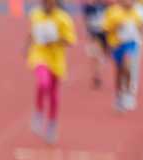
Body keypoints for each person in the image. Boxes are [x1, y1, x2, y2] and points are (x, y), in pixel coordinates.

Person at [25, 0, 76, 144]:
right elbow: (32, 32)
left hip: (56, 59)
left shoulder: (63, 18)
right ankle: (39, 112)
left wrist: (55, 39)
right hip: (39, 54)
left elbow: (70, 41)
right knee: (43, 82)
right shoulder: (36, 14)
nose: (47, 4)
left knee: (53, 95)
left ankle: (52, 126)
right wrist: (27, 46)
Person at [104, 0, 143, 111]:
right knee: (119, 72)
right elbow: (106, 28)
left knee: (127, 67)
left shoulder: (135, 12)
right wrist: (116, 26)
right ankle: (119, 96)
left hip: (130, 44)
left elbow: (142, 27)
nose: (129, 3)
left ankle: (128, 94)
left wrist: (141, 29)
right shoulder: (113, 12)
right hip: (116, 44)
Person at [82, 0, 109, 88]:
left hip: (104, 34)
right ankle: (96, 75)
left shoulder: (105, 6)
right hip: (94, 34)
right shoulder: (88, 7)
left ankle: (98, 69)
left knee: (103, 55)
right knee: (95, 55)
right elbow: (86, 20)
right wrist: (88, 32)